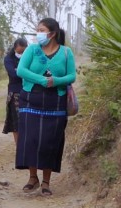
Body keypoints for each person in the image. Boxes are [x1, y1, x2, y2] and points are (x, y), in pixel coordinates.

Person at [16, 17, 76, 196]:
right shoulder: (32, 49)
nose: (38, 33)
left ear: (52, 33)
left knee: (50, 141)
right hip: (31, 100)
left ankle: (46, 182)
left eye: (41, 30)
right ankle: (32, 177)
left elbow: (72, 76)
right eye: (38, 30)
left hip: (55, 102)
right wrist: (42, 80)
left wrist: (56, 81)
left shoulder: (66, 52)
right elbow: (21, 70)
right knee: (31, 139)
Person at [2, 38, 29, 144]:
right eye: (20, 51)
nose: (21, 53)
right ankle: (19, 146)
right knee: (16, 122)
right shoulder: (8, 58)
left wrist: (19, 70)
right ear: (15, 48)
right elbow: (13, 74)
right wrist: (26, 72)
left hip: (28, 91)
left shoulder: (29, 57)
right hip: (14, 92)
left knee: (27, 120)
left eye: (23, 51)